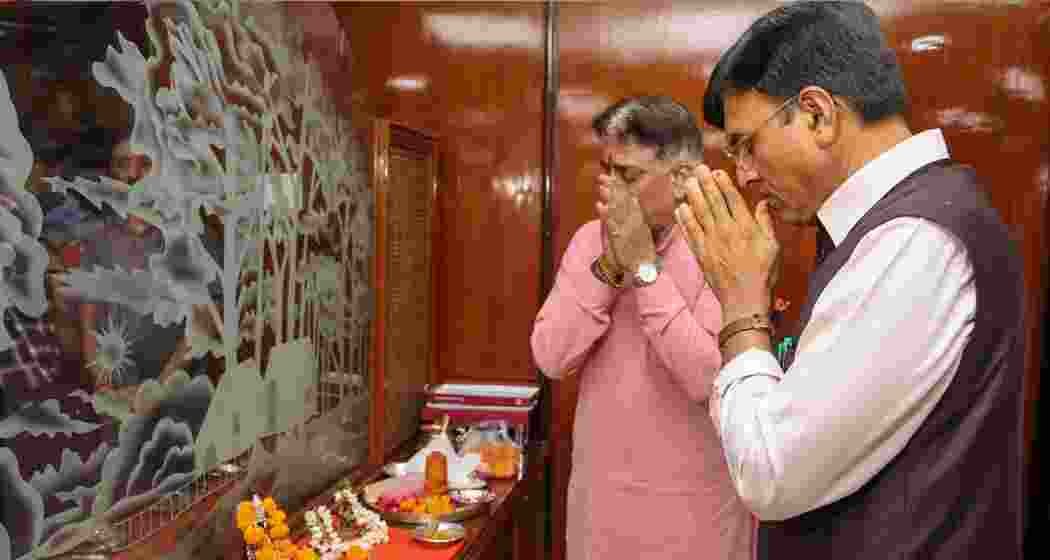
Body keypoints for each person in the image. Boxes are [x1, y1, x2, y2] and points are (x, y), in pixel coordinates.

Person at [674, 2, 1025, 558]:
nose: (743, 172)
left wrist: (742, 308)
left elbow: (772, 473)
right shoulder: (893, 226)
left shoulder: (913, 240)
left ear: (817, 114)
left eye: (745, 144)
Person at [531, 96, 754, 560]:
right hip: (602, 522)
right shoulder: (588, 242)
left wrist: (646, 269)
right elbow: (551, 357)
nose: (609, 190)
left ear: (680, 178)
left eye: (627, 175)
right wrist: (612, 265)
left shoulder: (724, 244)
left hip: (695, 524)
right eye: (606, 170)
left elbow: (708, 379)